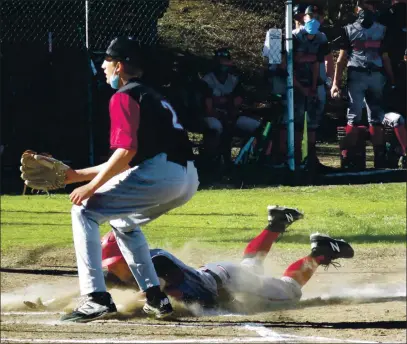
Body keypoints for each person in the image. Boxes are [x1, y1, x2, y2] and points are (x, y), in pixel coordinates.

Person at [60, 36, 199, 323]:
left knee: (83, 211)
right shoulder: (150, 95)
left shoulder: (123, 96)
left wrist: (90, 186)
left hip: (160, 174)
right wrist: (76, 175)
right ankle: (155, 298)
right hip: (186, 178)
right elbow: (129, 160)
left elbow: (126, 152)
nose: (102, 65)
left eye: (107, 60)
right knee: (124, 221)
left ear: (119, 65)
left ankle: (95, 298)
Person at [101, 206, 354, 309]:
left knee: (289, 291)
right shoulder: (121, 269)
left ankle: (321, 251)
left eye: (117, 263)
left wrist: (121, 306)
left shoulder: (156, 264)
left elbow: (159, 297)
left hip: (227, 282)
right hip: (219, 273)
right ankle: (276, 223)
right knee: (250, 266)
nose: (116, 270)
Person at [330, 0, 396, 169]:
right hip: (365, 75)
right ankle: (357, 156)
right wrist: (336, 83)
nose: (365, 10)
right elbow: (341, 60)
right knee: (363, 116)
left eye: (368, 6)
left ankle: (355, 157)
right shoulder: (371, 29)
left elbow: (341, 60)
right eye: (363, 7)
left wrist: (336, 82)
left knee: (370, 117)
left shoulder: (378, 30)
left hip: (366, 75)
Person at [201, 48, 261, 166]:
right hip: (214, 116)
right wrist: (225, 102)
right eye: (220, 61)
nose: (223, 64)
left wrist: (226, 103)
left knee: (257, 126)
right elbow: (208, 107)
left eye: (225, 61)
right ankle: (213, 161)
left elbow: (237, 102)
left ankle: (246, 159)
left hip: (231, 115)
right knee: (215, 127)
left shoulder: (234, 79)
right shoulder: (207, 79)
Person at [377, 0, 407, 168]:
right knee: (397, 117)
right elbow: (384, 53)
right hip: (392, 77)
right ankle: (394, 152)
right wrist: (393, 78)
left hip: (397, 75)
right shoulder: (386, 16)